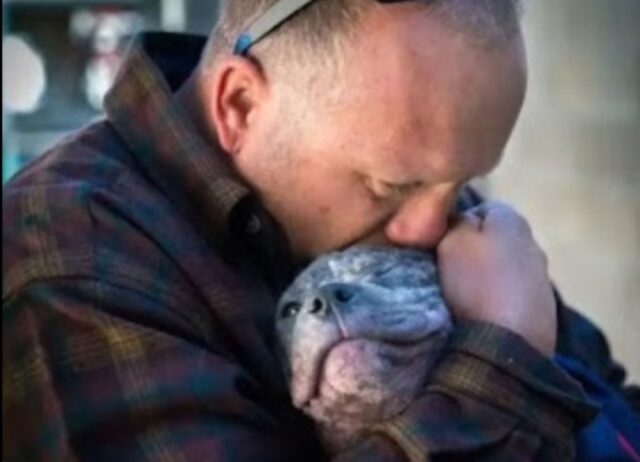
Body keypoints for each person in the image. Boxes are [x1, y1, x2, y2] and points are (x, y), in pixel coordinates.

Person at [3, 1, 638, 460]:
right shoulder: (70, 262)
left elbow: (611, 396)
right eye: (389, 186)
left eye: (466, 181)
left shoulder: (423, 188)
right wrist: (504, 364)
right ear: (240, 106)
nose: (428, 230)